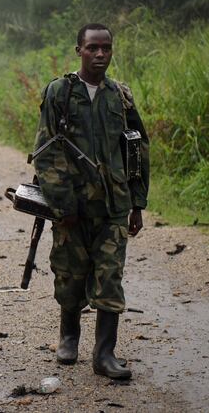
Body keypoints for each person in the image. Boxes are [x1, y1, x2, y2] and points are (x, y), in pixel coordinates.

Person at [32, 23, 149, 380]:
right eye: (93, 48)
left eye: (106, 48)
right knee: (69, 276)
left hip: (113, 205)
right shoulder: (60, 93)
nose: (100, 54)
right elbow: (45, 153)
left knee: (109, 278)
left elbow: (137, 150)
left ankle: (105, 355)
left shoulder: (120, 96)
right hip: (73, 208)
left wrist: (137, 203)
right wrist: (62, 205)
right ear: (78, 50)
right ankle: (69, 336)